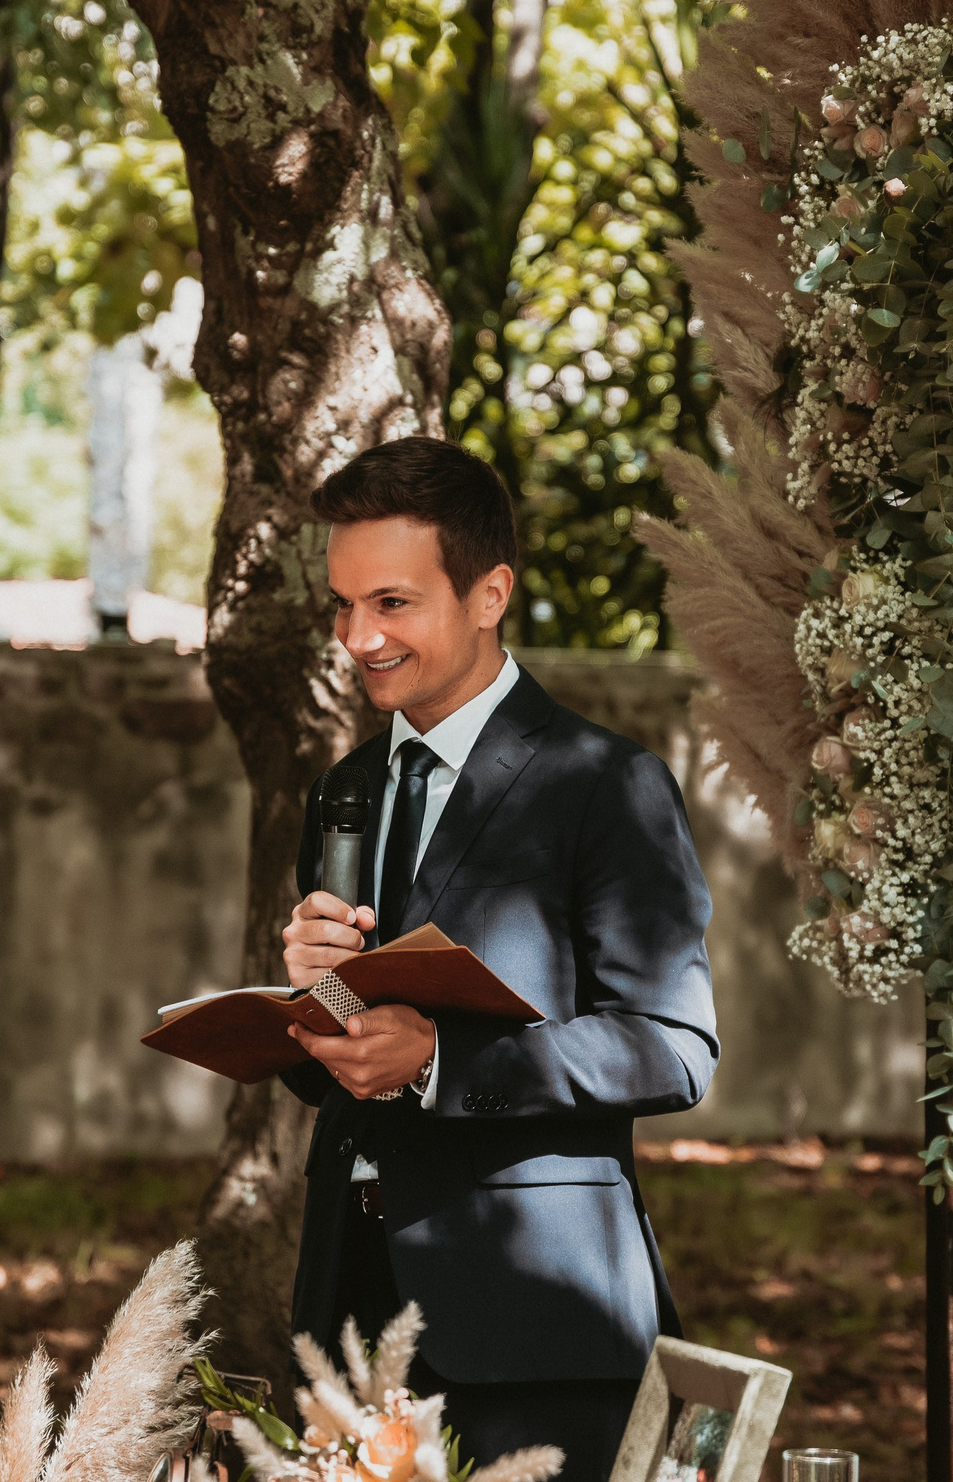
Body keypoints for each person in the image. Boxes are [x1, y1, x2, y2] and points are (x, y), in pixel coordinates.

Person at [274, 435, 717, 1476]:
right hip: (350, 1299)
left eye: (391, 602)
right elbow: (339, 1064)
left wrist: (440, 1060)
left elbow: (674, 1046)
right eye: (342, 605)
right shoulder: (345, 788)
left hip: (533, 1325)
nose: (358, 637)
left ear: (490, 594)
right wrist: (312, 996)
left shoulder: (604, 782)